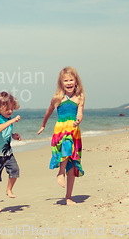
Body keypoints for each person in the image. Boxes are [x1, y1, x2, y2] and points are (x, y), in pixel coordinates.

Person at [37, 66, 85, 205]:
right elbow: (48, 112)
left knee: (73, 165)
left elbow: (80, 113)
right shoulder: (57, 97)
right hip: (61, 130)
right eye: (66, 80)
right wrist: (43, 125)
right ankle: (60, 173)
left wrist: (78, 120)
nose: (69, 83)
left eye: (71, 80)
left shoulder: (79, 98)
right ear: (61, 83)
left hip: (74, 130)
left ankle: (68, 197)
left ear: (76, 81)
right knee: (66, 145)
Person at [0, 91, 21, 214]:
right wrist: (11, 122)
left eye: (11, 108)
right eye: (6, 108)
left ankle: (9, 189)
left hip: (7, 153)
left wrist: (13, 136)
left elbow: (3, 133)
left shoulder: (7, 118)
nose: (9, 111)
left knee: (15, 171)